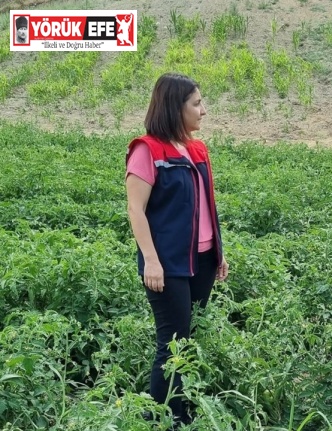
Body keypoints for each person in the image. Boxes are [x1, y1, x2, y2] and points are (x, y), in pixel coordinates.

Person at [125, 73, 228, 424]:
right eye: (197, 104)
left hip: (201, 259)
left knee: (188, 338)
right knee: (172, 343)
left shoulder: (197, 148)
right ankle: (164, 417)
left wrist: (218, 252)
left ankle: (179, 405)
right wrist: (151, 261)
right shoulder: (148, 150)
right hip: (168, 264)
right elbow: (135, 210)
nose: (204, 111)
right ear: (174, 107)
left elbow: (205, 204)